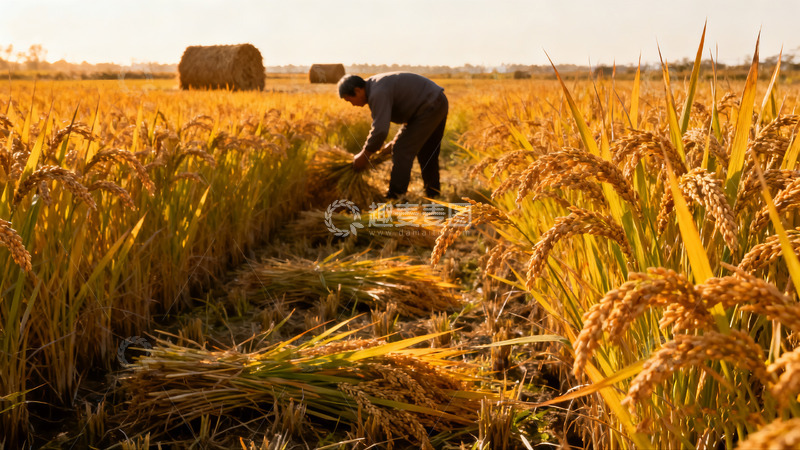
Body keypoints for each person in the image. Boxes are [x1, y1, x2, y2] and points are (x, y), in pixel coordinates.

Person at [338, 72, 448, 199]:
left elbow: (380, 130)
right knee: (427, 152)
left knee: (401, 150)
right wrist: (395, 140)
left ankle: (395, 197)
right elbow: (411, 119)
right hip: (437, 101)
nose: (352, 104)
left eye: (349, 100)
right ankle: (434, 195)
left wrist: (365, 155)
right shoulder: (376, 86)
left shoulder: (377, 92)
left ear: (357, 91)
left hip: (429, 106)